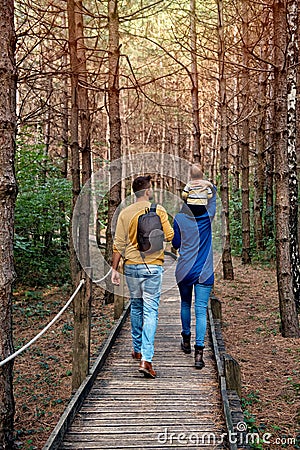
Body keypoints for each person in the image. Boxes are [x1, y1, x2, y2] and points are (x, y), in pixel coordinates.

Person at [111, 175, 174, 378]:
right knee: (151, 311)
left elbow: (118, 243)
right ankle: (146, 359)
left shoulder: (125, 213)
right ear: (147, 191)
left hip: (131, 267)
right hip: (153, 267)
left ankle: (137, 348)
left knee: (136, 307)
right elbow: (170, 236)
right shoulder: (159, 209)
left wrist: (114, 269)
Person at [172, 172, 216, 369]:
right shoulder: (208, 216)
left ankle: (186, 340)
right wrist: (207, 184)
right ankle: (199, 355)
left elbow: (175, 243)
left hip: (184, 270)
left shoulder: (180, 218)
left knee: (184, 304)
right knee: (200, 311)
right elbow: (214, 195)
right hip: (205, 271)